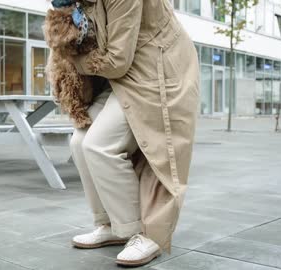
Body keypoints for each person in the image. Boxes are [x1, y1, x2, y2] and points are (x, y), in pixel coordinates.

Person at [59, 0, 200, 267]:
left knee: (100, 145)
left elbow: (116, 60)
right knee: (79, 141)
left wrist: (72, 60)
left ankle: (144, 233)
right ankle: (112, 224)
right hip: (121, 77)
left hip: (156, 71)